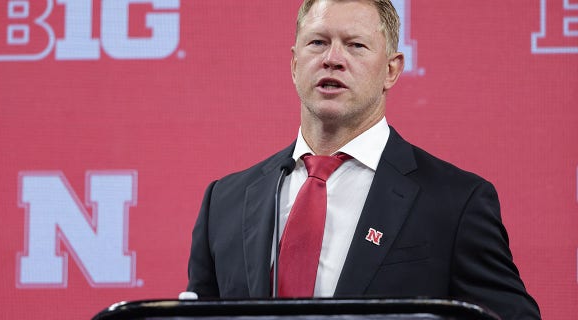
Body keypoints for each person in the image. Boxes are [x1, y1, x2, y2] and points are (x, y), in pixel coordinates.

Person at [187, 0, 541, 319]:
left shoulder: (456, 201)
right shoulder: (225, 200)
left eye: (355, 45)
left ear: (391, 70)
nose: (333, 58)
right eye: (318, 43)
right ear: (295, 65)